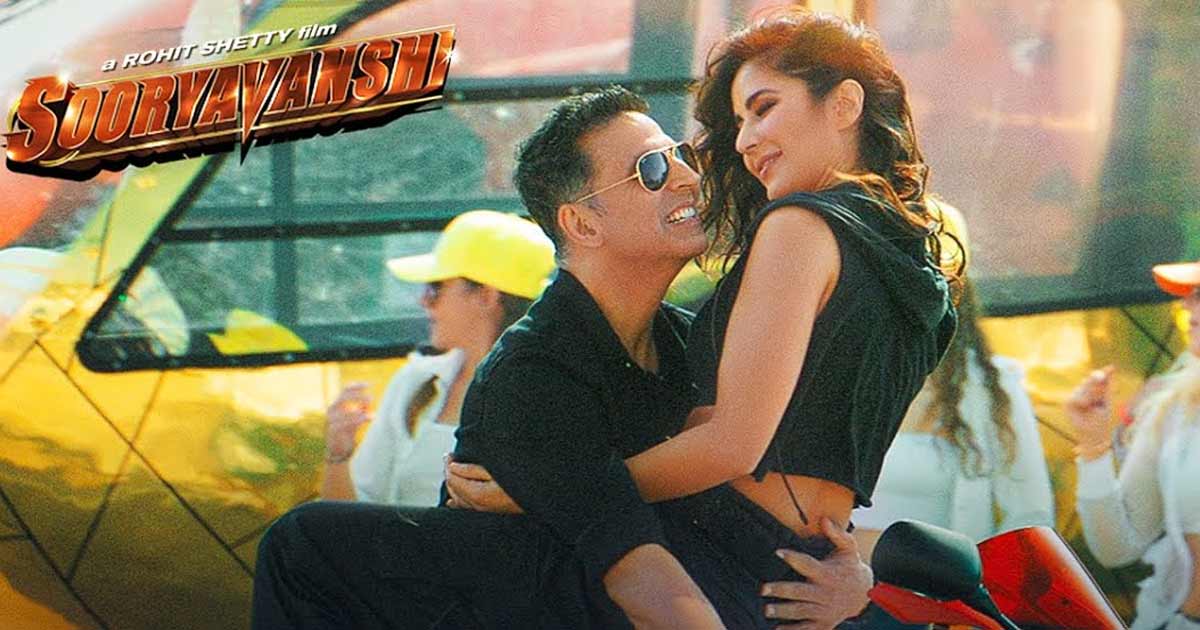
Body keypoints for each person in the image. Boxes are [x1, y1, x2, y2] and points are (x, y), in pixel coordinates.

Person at [252, 86, 871, 630]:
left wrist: (851, 579)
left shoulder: (694, 345)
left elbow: (772, 499)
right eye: (653, 168)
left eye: (680, 154)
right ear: (582, 224)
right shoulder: (531, 378)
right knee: (302, 541)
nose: (687, 176)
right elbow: (648, 589)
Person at [447, 8, 956, 628]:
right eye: (740, 121)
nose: (739, 144)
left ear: (845, 103)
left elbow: (734, 445)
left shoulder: (799, 228)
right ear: (578, 223)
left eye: (764, 108)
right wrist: (851, 568)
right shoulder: (905, 260)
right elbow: (806, 434)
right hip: (785, 565)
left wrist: (555, 496)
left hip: (740, 558)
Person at [844, 278, 1053, 628]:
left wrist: (984, 611)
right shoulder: (839, 372)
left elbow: (1030, 515)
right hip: (835, 598)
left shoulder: (989, 386)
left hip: (933, 611)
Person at [319, 210, 555, 506]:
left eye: (436, 288)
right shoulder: (414, 380)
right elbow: (351, 516)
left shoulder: (548, 396)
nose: (423, 301)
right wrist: (338, 455)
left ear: (486, 296)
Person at [1068, 259, 1200, 630]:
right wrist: (1093, 446)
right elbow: (1118, 547)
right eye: (1190, 295)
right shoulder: (1173, 409)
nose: (1187, 304)